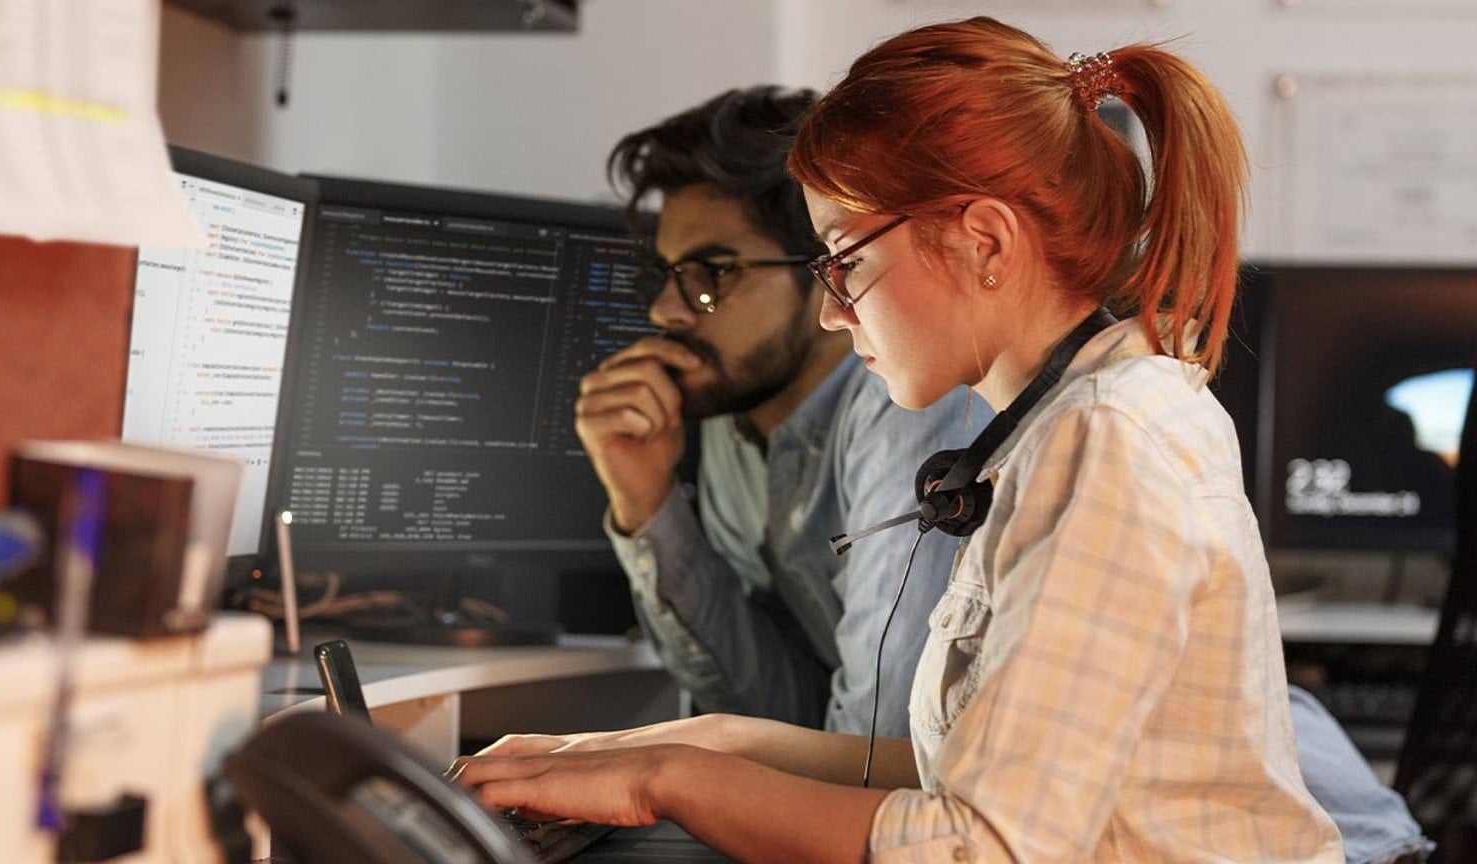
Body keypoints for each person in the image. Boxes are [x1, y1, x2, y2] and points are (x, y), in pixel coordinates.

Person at [462, 27, 1428, 860]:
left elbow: (980, 845)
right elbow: (961, 764)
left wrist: (659, 783)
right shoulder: (1065, 424)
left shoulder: (1108, 442)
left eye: (845, 259)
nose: (834, 314)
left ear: (985, 244)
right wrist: (689, 746)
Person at [581, 86, 986, 737]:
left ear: (828, 270)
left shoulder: (912, 407)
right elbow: (775, 712)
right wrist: (648, 504)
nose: (666, 310)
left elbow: (874, 749)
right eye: (665, 272)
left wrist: (659, 770)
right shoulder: (733, 415)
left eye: (713, 272)